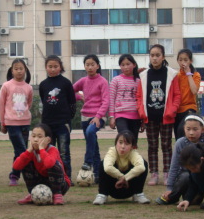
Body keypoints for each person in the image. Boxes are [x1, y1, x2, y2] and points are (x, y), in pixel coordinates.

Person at [136, 44, 181, 186]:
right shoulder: (143, 75)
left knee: (167, 145)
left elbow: (177, 95)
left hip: (166, 117)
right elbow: (139, 96)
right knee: (152, 145)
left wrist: (172, 110)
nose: (155, 58)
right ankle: (154, 173)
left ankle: (167, 173)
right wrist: (141, 112)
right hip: (150, 117)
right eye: (152, 55)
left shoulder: (172, 74)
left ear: (163, 57)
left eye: (157, 55)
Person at [157, 115, 204, 205]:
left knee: (195, 201)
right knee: (185, 176)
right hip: (186, 176)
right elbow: (174, 166)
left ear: (203, 129)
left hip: (202, 176)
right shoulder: (180, 143)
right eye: (188, 129)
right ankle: (172, 197)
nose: (191, 133)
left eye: (195, 129)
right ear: (184, 128)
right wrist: (169, 188)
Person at [13, 123, 71, 206]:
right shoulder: (31, 152)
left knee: (53, 164)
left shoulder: (52, 150)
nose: (36, 139)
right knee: (25, 162)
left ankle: (57, 194)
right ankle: (33, 193)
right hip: (42, 181)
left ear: (48, 140)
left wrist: (41, 149)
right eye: (33, 136)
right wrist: (28, 151)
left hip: (60, 184)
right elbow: (16, 166)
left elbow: (49, 164)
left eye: (40, 137)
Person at [39, 56, 76, 181]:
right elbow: (44, 101)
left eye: (56, 66)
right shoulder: (43, 85)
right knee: (49, 151)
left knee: (64, 152)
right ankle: (51, 176)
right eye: (50, 66)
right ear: (46, 68)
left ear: (60, 67)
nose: (53, 69)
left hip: (62, 124)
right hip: (48, 125)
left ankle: (66, 177)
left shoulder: (66, 83)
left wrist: (67, 119)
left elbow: (72, 103)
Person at [0, 58, 33, 186]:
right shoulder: (7, 86)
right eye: (16, 69)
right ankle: (30, 174)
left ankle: (14, 175)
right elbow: (0, 105)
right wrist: (2, 122)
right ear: (11, 71)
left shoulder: (28, 87)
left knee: (19, 151)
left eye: (21, 68)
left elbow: (29, 103)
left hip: (25, 122)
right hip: (11, 123)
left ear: (25, 70)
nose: (19, 71)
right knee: (22, 150)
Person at [74, 54, 109, 182]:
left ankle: (87, 162)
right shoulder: (83, 81)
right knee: (93, 145)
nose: (90, 67)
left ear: (97, 66)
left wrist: (98, 117)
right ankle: (98, 175)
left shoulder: (103, 81)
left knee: (90, 132)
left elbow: (106, 101)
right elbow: (71, 90)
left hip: (98, 117)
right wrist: (80, 97)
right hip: (85, 116)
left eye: (92, 64)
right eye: (87, 65)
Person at [92, 130, 150, 205]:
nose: (123, 146)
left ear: (132, 146)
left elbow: (141, 167)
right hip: (113, 187)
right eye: (120, 142)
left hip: (129, 188)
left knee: (143, 163)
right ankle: (102, 194)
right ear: (116, 143)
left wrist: (125, 178)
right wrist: (121, 177)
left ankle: (138, 194)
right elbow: (107, 168)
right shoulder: (112, 151)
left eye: (127, 143)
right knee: (103, 163)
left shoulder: (133, 153)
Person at [108, 54, 142, 146]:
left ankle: (132, 160)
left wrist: (143, 119)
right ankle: (121, 160)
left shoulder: (139, 81)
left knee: (133, 143)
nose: (125, 67)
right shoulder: (116, 80)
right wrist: (111, 117)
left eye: (128, 64)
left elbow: (142, 101)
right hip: (121, 115)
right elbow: (111, 99)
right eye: (123, 65)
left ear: (134, 65)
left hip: (136, 116)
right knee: (125, 139)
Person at [173, 49, 200, 140]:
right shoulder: (176, 75)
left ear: (190, 61)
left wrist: (188, 73)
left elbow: (194, 91)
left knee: (185, 131)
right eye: (180, 60)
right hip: (177, 109)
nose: (182, 62)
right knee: (178, 135)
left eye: (185, 60)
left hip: (189, 108)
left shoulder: (195, 75)